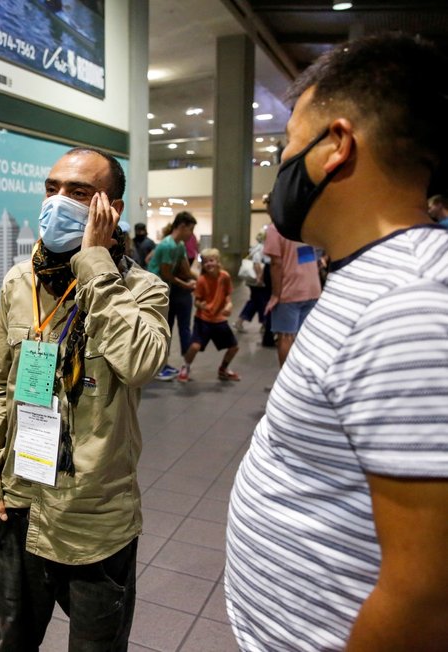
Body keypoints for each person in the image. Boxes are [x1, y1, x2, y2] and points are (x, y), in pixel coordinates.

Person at [226, 33, 448, 650]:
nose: (282, 168)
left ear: (336, 148)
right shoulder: (365, 276)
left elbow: (427, 597)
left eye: (289, 147)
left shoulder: (409, 306)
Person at [0, 146, 170, 650]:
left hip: (95, 520)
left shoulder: (143, 290)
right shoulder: (21, 281)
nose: (58, 202)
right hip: (21, 502)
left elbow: (142, 362)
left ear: (110, 210)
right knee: (11, 642)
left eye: (78, 193)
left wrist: (95, 262)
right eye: (52, 188)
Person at [146, 211, 197, 380]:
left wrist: (203, 280)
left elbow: (185, 270)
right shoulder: (167, 245)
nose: (191, 234)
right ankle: (157, 367)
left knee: (167, 328)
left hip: (165, 291)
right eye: (190, 229)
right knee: (159, 330)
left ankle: (163, 363)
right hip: (153, 291)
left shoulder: (179, 245)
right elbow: (166, 274)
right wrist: (187, 285)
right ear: (182, 227)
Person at [176, 248, 240, 383]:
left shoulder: (225, 277)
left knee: (234, 347)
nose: (209, 264)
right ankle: (185, 367)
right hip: (203, 320)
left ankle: (223, 369)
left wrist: (229, 305)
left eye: (211, 261)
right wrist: (201, 305)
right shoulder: (201, 280)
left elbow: (228, 295)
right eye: (205, 262)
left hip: (219, 320)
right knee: (195, 347)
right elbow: (197, 301)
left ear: (217, 261)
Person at [262, 220, 320, 366]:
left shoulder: (276, 228)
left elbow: (276, 263)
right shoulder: (304, 223)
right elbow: (309, 254)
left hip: (289, 291)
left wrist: (275, 295)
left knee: (285, 337)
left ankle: (286, 383)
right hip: (312, 288)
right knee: (304, 338)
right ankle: (301, 382)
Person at [233, 228, 271, 336]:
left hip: (253, 282)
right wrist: (260, 278)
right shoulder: (262, 249)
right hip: (259, 282)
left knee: (254, 302)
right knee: (262, 302)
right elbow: (257, 264)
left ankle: (240, 322)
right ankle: (264, 324)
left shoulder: (256, 248)